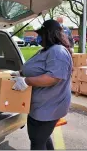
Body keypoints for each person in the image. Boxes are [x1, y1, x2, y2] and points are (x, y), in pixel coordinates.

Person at [11, 19, 73, 150]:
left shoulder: (57, 51)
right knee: (42, 139)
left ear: (49, 34)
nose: (38, 37)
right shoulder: (47, 50)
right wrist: (20, 73)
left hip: (48, 108)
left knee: (37, 141)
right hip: (42, 106)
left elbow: (53, 77)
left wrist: (26, 81)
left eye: (41, 34)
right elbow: (38, 68)